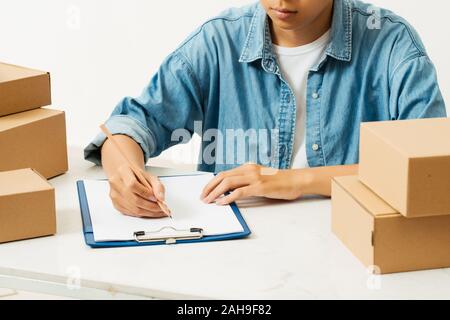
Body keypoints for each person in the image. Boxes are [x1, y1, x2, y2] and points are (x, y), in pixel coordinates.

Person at [84, 0, 446, 218]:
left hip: (350, 250)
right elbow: (132, 124)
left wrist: (293, 182)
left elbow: (432, 170)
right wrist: (124, 175)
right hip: (237, 258)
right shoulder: (219, 41)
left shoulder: (391, 43)